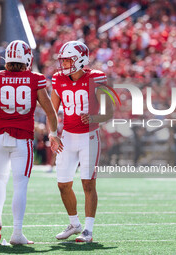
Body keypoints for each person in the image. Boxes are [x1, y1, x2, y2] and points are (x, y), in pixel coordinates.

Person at [0, 40, 63, 245]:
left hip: (0, 136)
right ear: (27, 59)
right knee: (20, 185)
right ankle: (16, 233)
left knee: (0, 180)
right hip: (23, 140)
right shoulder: (35, 79)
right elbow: (50, 111)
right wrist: (53, 134)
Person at [51, 41, 113, 242]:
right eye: (64, 60)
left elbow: (109, 112)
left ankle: (88, 230)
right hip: (67, 136)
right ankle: (74, 223)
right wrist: (53, 134)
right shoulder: (58, 79)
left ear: (81, 60)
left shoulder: (96, 78)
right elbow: (52, 112)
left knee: (88, 184)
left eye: (69, 59)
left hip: (89, 136)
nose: (65, 64)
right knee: (63, 184)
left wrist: (94, 118)